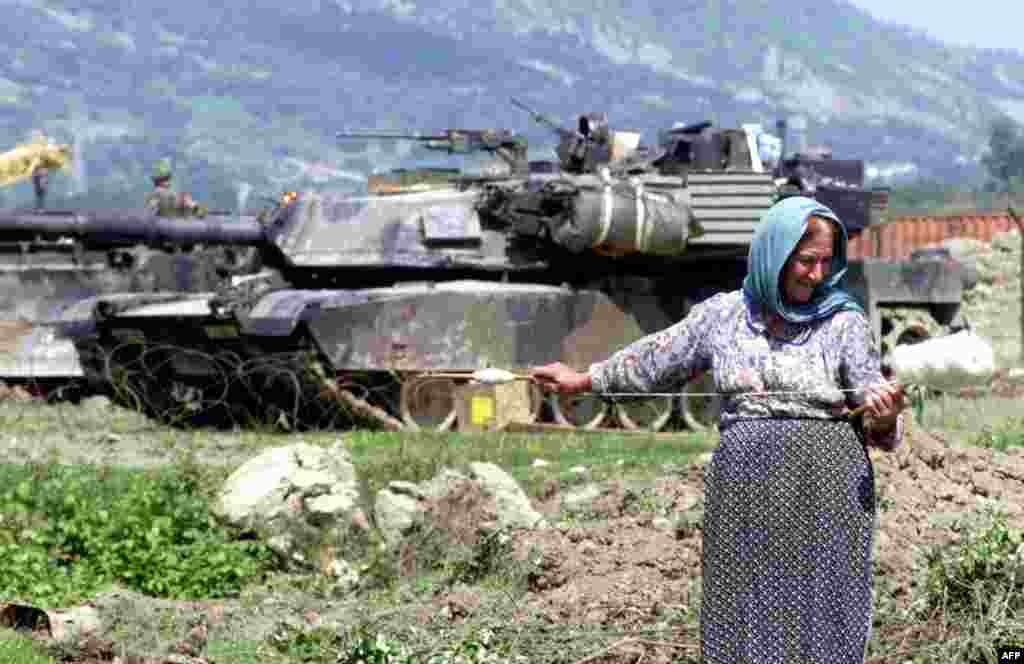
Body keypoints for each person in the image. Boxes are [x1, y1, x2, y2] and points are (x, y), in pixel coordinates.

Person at [531, 195, 905, 664]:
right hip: (746, 486)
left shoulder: (843, 321)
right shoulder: (725, 315)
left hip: (826, 487)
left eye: (827, 262)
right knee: (746, 598)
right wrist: (585, 379)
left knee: (822, 599)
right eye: (807, 261)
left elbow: (872, 403)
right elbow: (657, 360)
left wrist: (885, 414)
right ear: (775, 256)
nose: (817, 274)